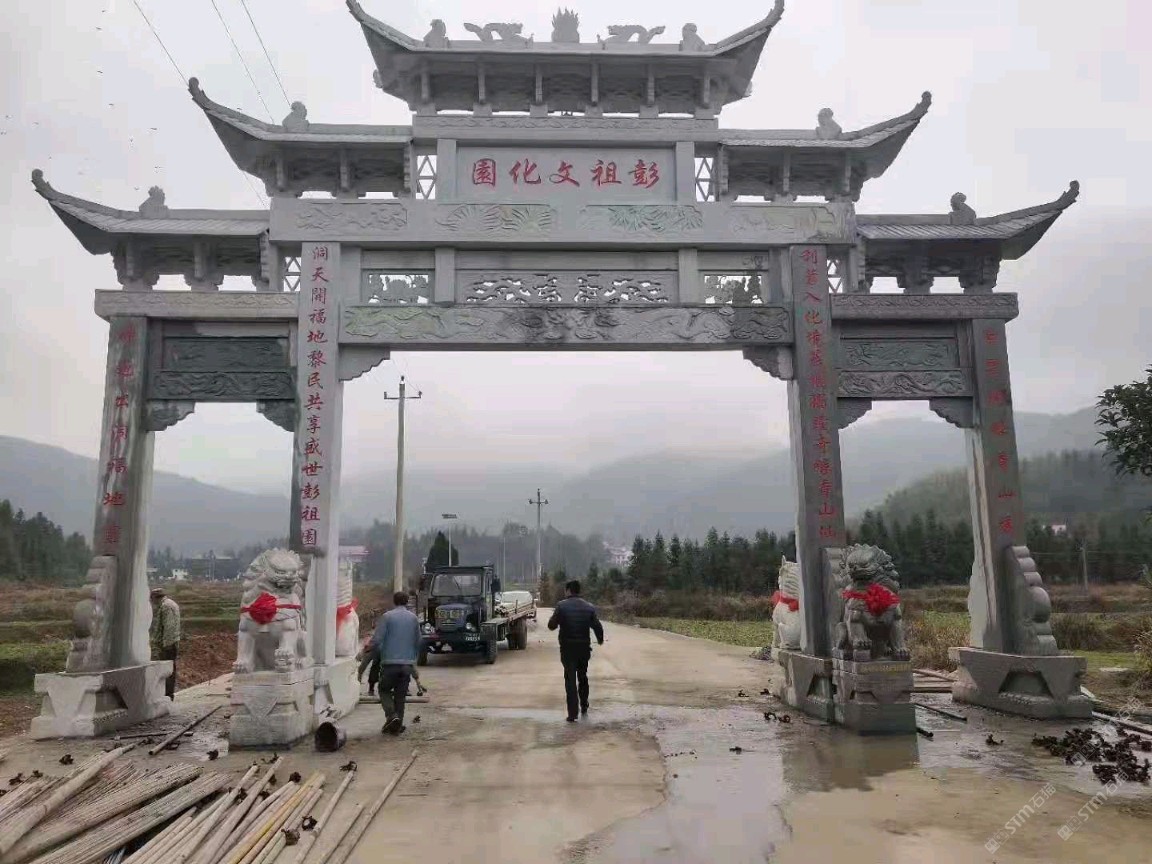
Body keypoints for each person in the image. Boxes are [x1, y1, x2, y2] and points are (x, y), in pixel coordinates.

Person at [366, 591, 423, 735]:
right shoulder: (413, 618)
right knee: (400, 697)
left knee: (384, 690)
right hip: (406, 665)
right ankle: (396, 726)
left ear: (394, 601)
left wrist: (367, 649)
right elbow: (418, 640)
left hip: (389, 663)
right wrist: (413, 657)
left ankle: (391, 715)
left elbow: (377, 639)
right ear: (407, 602)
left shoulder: (387, 617)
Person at [547, 580, 604, 722]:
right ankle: (584, 705)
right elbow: (597, 626)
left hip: (567, 649)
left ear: (568, 591)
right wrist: (600, 639)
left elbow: (551, 625)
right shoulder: (589, 607)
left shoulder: (561, 606)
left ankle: (572, 713)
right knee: (583, 676)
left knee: (570, 680)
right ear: (579, 591)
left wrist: (556, 620)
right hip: (584, 648)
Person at [149, 587, 181, 699]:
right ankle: (166, 694)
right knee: (168, 670)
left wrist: (167, 645)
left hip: (168, 644)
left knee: (167, 671)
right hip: (169, 643)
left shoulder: (166, 606)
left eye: (152, 599)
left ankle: (167, 695)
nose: (152, 602)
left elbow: (169, 627)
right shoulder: (168, 604)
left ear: (155, 597)